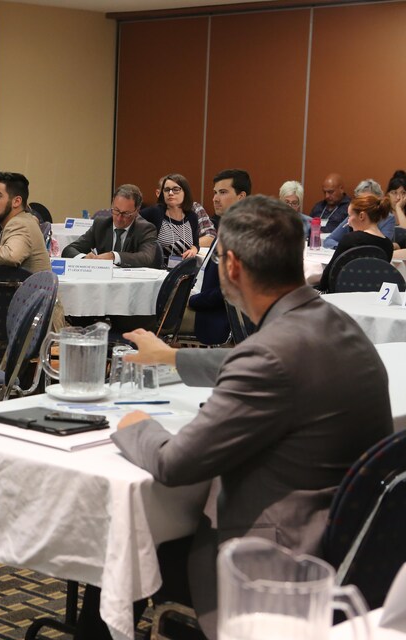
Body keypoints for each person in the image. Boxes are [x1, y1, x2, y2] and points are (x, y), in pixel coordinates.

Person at [111, 195, 392, 639]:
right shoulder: (340, 327)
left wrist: (133, 423)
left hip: (268, 565)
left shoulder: (270, 353)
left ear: (233, 266)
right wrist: (172, 357)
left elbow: (173, 463)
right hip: (349, 553)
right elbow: (263, 364)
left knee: (125, 544)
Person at [188, 169, 251, 345]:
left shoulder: (241, 233)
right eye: (215, 192)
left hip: (216, 317)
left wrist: (192, 300)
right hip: (206, 303)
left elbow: (230, 289)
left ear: (241, 197)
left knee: (148, 315)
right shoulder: (228, 227)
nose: (215, 198)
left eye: (223, 192)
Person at [60, 183, 159, 267]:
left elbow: (147, 257)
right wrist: (84, 258)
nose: (119, 218)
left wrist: (114, 256)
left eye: (126, 213)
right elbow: (69, 250)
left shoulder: (145, 229)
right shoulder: (101, 225)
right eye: (116, 210)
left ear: (137, 211)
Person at [318, 193, 393, 291]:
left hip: (340, 294)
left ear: (361, 216)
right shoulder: (388, 245)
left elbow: (329, 273)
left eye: (349, 216)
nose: (348, 222)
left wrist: (320, 289)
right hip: (372, 296)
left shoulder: (351, 239)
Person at [140, 173, 200, 267]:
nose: (170, 193)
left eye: (176, 189)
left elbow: (196, 244)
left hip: (183, 270)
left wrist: (193, 250)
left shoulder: (192, 217)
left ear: (185, 192)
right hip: (156, 270)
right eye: (167, 190)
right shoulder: (153, 213)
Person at [323, 179, 395, 249]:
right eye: (360, 201)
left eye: (368, 202)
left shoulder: (388, 218)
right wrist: (344, 247)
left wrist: (350, 247)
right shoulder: (353, 216)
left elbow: (381, 247)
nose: (363, 206)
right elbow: (328, 241)